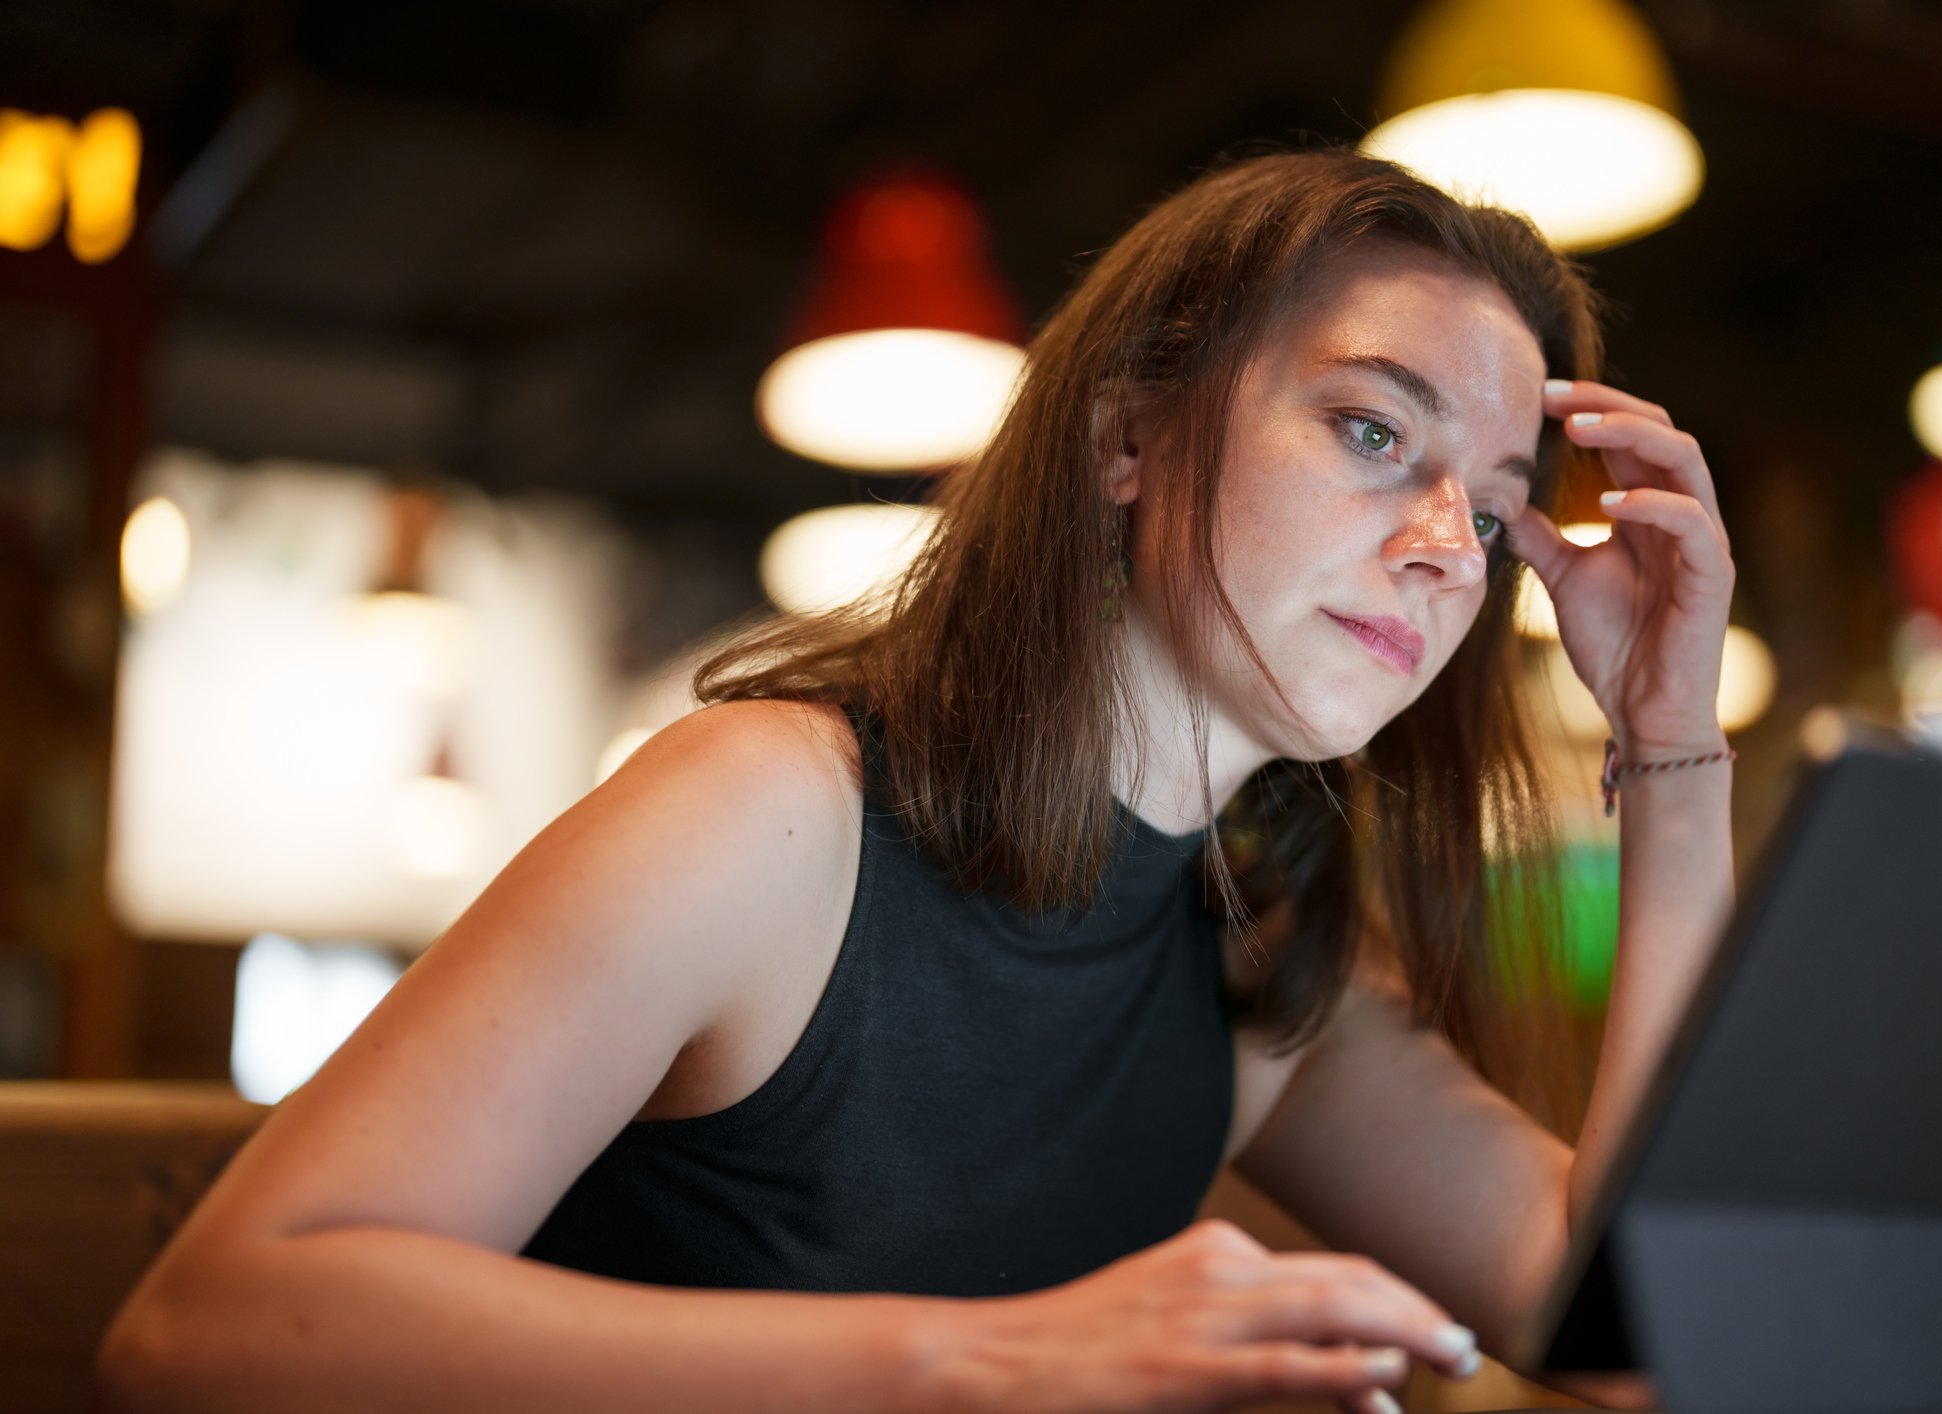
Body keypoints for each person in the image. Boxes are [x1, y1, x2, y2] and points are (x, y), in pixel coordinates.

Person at [96, 148, 1733, 1414]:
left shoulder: (1263, 951)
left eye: (1494, 505)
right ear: (1127, 438)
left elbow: (1641, 1329)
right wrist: (988, 1361)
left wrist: (1670, 753)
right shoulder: (769, 814)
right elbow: (204, 1330)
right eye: (1373, 431)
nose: (1447, 546)